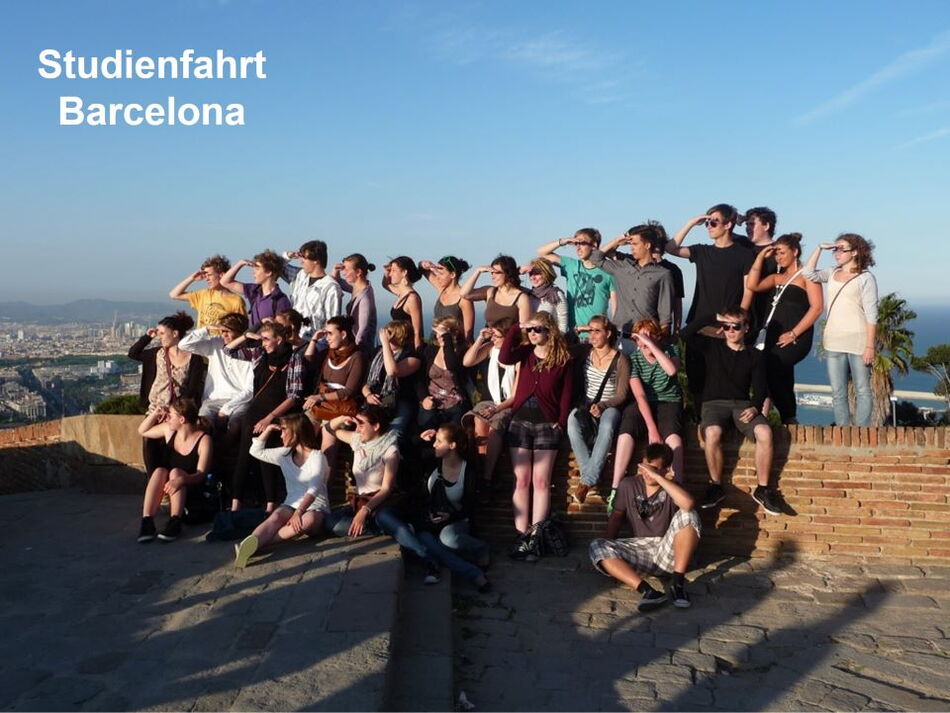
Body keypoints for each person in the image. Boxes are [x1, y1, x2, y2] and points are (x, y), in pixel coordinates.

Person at [324, 406, 442, 584]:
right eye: (357, 424)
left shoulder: (390, 449)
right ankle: (387, 529)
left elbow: (386, 489)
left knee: (384, 517)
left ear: (376, 426)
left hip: (383, 502)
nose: (357, 428)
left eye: (362, 424)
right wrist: (342, 418)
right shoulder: (357, 440)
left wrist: (365, 511)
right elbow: (328, 429)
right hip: (360, 501)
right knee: (329, 521)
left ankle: (427, 560)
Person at [665, 204, 755, 413]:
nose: (708, 226)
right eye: (707, 222)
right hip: (699, 328)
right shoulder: (702, 251)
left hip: (727, 331)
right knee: (697, 383)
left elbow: (748, 291)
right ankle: (701, 423)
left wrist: (735, 322)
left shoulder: (744, 255)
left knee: (726, 384)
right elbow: (671, 248)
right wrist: (691, 223)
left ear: (728, 225)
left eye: (713, 222)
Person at [589, 443, 700, 611]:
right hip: (639, 550)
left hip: (666, 550)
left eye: (654, 469)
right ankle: (649, 592)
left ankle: (677, 585)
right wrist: (607, 559)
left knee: (689, 514)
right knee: (597, 545)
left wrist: (660, 478)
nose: (647, 473)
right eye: (645, 467)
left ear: (666, 469)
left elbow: (688, 504)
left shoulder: (672, 488)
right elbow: (616, 518)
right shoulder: (628, 484)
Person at [499, 311, 574, 560]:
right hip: (520, 421)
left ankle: (535, 537)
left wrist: (560, 422)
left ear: (549, 331)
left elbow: (566, 394)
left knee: (541, 482)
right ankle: (521, 536)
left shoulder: (563, 359)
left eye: (537, 329)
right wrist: (516, 328)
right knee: (521, 480)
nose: (532, 334)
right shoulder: (525, 353)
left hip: (546, 424)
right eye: (530, 330)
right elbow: (504, 356)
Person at [694, 306, 781, 515]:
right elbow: (686, 334)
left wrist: (755, 406)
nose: (731, 330)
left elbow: (760, 388)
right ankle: (715, 486)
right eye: (726, 326)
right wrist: (713, 316)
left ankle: (763, 489)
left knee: (765, 432)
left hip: (742, 405)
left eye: (736, 326)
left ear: (746, 328)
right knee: (712, 432)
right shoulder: (712, 348)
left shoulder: (755, 356)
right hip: (713, 404)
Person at [225, 321, 305, 513]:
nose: (264, 343)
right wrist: (246, 335)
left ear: (280, 339)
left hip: (277, 413)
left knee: (266, 455)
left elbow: (294, 396)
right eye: (262, 340)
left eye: (267, 339)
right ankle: (236, 503)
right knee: (245, 454)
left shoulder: (294, 359)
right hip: (256, 410)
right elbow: (228, 350)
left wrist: (270, 418)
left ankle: (271, 503)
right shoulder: (260, 355)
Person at [746, 233, 824, 424]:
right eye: (776, 254)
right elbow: (752, 285)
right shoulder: (777, 277)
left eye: (781, 252)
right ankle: (788, 417)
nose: (778, 257)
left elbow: (817, 308)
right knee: (781, 373)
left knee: (772, 366)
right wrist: (760, 257)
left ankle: (781, 414)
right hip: (772, 336)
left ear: (794, 251)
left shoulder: (807, 275)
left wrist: (794, 333)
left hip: (796, 336)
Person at [234, 414, 330, 567]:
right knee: (276, 517)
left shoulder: (317, 457)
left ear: (296, 432)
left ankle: (259, 544)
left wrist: (298, 513)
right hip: (291, 504)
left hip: (316, 507)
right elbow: (255, 451)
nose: (281, 435)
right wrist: (268, 430)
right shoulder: (284, 454)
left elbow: (314, 488)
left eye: (284, 430)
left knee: (309, 520)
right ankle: (251, 544)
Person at [803, 234, 879, 426]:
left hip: (858, 340)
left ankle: (862, 431)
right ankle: (843, 433)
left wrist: (870, 346)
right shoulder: (832, 273)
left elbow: (871, 314)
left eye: (841, 249)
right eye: (835, 249)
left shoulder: (866, 278)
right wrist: (820, 248)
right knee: (838, 392)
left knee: (862, 390)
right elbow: (808, 273)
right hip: (833, 341)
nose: (836, 253)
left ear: (855, 252)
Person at [610, 319, 685, 513]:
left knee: (674, 438)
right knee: (626, 431)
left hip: (669, 401)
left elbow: (671, 370)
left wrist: (652, 345)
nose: (644, 341)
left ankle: (678, 488)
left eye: (650, 335)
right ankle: (615, 488)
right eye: (640, 337)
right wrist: (651, 428)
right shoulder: (633, 359)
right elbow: (640, 396)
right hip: (644, 402)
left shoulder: (670, 350)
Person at [177, 312, 253, 495]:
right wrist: (207, 329)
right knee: (200, 424)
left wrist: (227, 409)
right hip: (213, 398)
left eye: (228, 331)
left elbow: (249, 389)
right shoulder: (215, 344)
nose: (223, 335)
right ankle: (203, 466)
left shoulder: (250, 352)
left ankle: (218, 457)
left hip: (239, 399)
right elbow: (184, 344)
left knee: (235, 425)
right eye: (222, 331)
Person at [129, 311, 207, 475]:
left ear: (175, 333)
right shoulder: (157, 354)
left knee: (172, 451)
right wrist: (147, 337)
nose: (160, 337)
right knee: (150, 446)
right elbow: (133, 353)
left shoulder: (194, 358)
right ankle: (154, 479)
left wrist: (175, 409)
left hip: (178, 412)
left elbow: (193, 388)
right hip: (156, 410)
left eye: (162, 333)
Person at [416, 423, 491, 591]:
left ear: (452, 445)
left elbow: (470, 507)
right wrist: (421, 440)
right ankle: (474, 574)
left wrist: (451, 516)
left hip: (456, 520)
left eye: (439, 441)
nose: (434, 445)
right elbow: (408, 451)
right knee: (430, 543)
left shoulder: (467, 470)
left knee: (448, 540)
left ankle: (480, 548)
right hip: (430, 522)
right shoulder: (432, 463)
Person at [568, 315, 630, 504]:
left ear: (608, 333)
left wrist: (602, 406)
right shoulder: (585, 352)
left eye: (597, 331)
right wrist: (576, 330)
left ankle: (586, 481)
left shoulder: (620, 359)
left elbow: (622, 394)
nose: (592, 335)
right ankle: (591, 477)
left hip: (610, 405)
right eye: (590, 331)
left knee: (608, 424)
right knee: (572, 422)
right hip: (586, 404)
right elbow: (562, 348)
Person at [136, 398, 213, 543]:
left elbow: (201, 474)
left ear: (182, 419)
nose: (167, 418)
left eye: (170, 415)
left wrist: (181, 480)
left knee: (176, 472)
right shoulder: (169, 430)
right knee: (160, 471)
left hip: (191, 491)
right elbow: (142, 431)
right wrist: (155, 414)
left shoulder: (204, 440)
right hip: (171, 490)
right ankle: (147, 521)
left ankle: (175, 520)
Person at [590, 222, 674, 342]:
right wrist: (616, 241)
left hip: (645, 339)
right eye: (630, 244)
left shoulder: (663, 274)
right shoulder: (622, 267)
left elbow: (665, 316)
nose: (631, 248)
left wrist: (661, 342)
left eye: (635, 244)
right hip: (618, 337)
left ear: (647, 245)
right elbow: (595, 258)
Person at [462, 318, 519, 493]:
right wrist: (480, 339)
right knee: (479, 420)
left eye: (497, 336)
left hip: (507, 403)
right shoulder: (490, 350)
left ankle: (487, 476)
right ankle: (482, 466)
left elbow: (515, 395)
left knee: (495, 426)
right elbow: (467, 362)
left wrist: (496, 409)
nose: (493, 339)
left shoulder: (518, 357)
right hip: (489, 400)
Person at [304, 315, 365, 465]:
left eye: (330, 334)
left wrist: (320, 397)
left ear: (343, 334)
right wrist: (314, 340)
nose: (327, 338)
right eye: (326, 334)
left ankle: (324, 478)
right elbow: (308, 360)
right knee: (303, 439)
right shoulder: (328, 353)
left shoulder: (357, 357)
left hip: (339, 408)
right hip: (321, 405)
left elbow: (349, 391)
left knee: (327, 449)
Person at [536, 229, 616, 337]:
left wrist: (613, 333)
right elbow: (542, 253)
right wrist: (563, 241)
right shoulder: (571, 265)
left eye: (582, 243)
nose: (578, 248)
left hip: (597, 335)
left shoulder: (607, 271)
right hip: (573, 334)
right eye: (576, 244)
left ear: (594, 245)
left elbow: (615, 307)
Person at [361, 320, 422, 440]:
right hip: (376, 399)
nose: (387, 337)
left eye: (391, 334)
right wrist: (368, 395)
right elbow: (366, 383)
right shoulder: (377, 353)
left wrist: (385, 344)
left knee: (393, 434)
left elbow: (392, 371)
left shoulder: (413, 357)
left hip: (399, 400)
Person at [417, 317, 471, 432]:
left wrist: (447, 340)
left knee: (451, 433)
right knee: (427, 429)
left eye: (443, 333)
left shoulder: (463, 352)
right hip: (432, 399)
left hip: (455, 401)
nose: (439, 336)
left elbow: (451, 365)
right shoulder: (430, 350)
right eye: (438, 333)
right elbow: (419, 379)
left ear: (454, 333)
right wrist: (424, 398)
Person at [282, 240, 343, 337]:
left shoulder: (331, 287)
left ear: (316, 261)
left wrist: (318, 343)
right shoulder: (300, 276)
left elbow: (332, 322)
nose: (301, 262)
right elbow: (275, 267)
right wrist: (287, 256)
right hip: (293, 339)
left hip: (314, 341)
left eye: (304, 258)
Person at [169, 254, 247, 329]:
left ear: (221, 275)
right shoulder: (203, 295)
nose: (207, 279)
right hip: (201, 337)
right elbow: (174, 295)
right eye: (205, 276)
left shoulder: (236, 301)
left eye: (209, 275)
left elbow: (242, 326)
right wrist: (192, 278)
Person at [220, 250, 292, 329]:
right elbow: (224, 282)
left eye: (257, 268)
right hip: (250, 336)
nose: (253, 272)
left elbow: (283, 329)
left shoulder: (280, 300)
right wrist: (240, 263)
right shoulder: (254, 291)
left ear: (269, 272)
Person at [460, 255, 533, 328]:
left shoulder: (521, 298)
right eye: (492, 273)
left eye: (497, 273)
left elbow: (523, 328)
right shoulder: (490, 292)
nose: (493, 277)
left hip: (509, 335)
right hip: (488, 335)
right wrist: (477, 271)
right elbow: (464, 294)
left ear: (508, 273)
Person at [332, 253, 378, 360]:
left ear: (358, 272)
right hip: (354, 346)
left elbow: (363, 329)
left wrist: (353, 350)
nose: (344, 273)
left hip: (360, 351)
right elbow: (338, 281)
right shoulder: (357, 288)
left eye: (347, 270)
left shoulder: (365, 297)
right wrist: (336, 270)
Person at [419, 256, 475, 341]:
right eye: (437, 273)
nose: (437, 276)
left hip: (452, 345)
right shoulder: (442, 289)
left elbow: (468, 333)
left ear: (452, 275)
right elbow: (422, 269)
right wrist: (425, 264)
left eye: (441, 274)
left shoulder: (464, 299)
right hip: (434, 343)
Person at [383, 256, 425, 350]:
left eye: (394, 270)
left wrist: (418, 353)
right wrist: (386, 271)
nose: (390, 274)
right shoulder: (401, 293)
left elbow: (417, 332)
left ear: (404, 272)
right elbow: (386, 284)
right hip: (399, 347)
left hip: (408, 349)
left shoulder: (412, 298)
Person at [520, 258, 569, 333]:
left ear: (546, 273)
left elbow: (563, 326)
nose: (533, 277)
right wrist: (519, 271)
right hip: (530, 337)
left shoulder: (556, 295)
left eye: (537, 274)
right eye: (530, 274)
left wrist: (554, 339)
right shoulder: (527, 294)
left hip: (551, 338)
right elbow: (508, 281)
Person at [652, 244, 684, 335]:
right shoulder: (639, 265)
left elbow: (677, 302)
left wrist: (677, 330)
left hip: (662, 326)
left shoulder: (673, 269)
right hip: (641, 324)